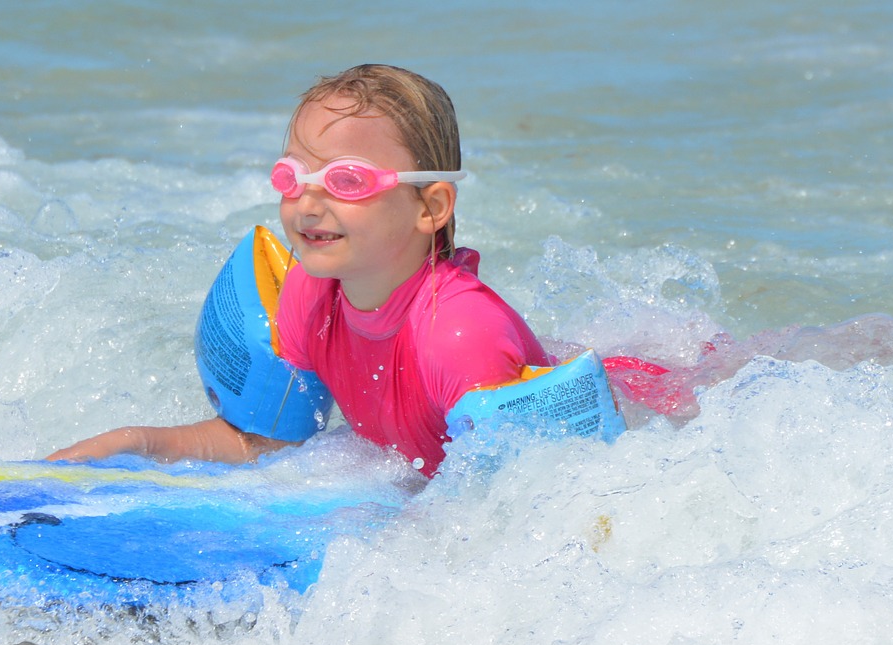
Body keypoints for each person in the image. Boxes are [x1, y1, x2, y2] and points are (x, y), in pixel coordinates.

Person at [48, 64, 551, 475]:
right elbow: (266, 444)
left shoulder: (459, 336)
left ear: (430, 206)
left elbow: (510, 506)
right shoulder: (312, 295)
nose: (307, 203)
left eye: (345, 180)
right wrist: (134, 444)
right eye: (294, 176)